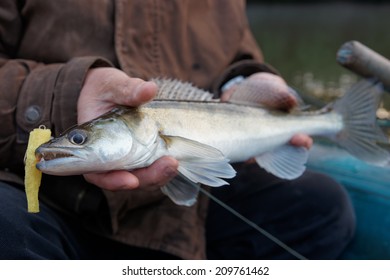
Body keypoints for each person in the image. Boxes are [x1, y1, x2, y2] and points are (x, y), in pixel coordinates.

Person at [0, 0, 355, 259]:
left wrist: (248, 77)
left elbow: (236, 54)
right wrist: (71, 91)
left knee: (325, 206)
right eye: (79, 138)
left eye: (79, 138)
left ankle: (334, 120)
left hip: (184, 211)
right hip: (48, 201)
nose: (75, 142)